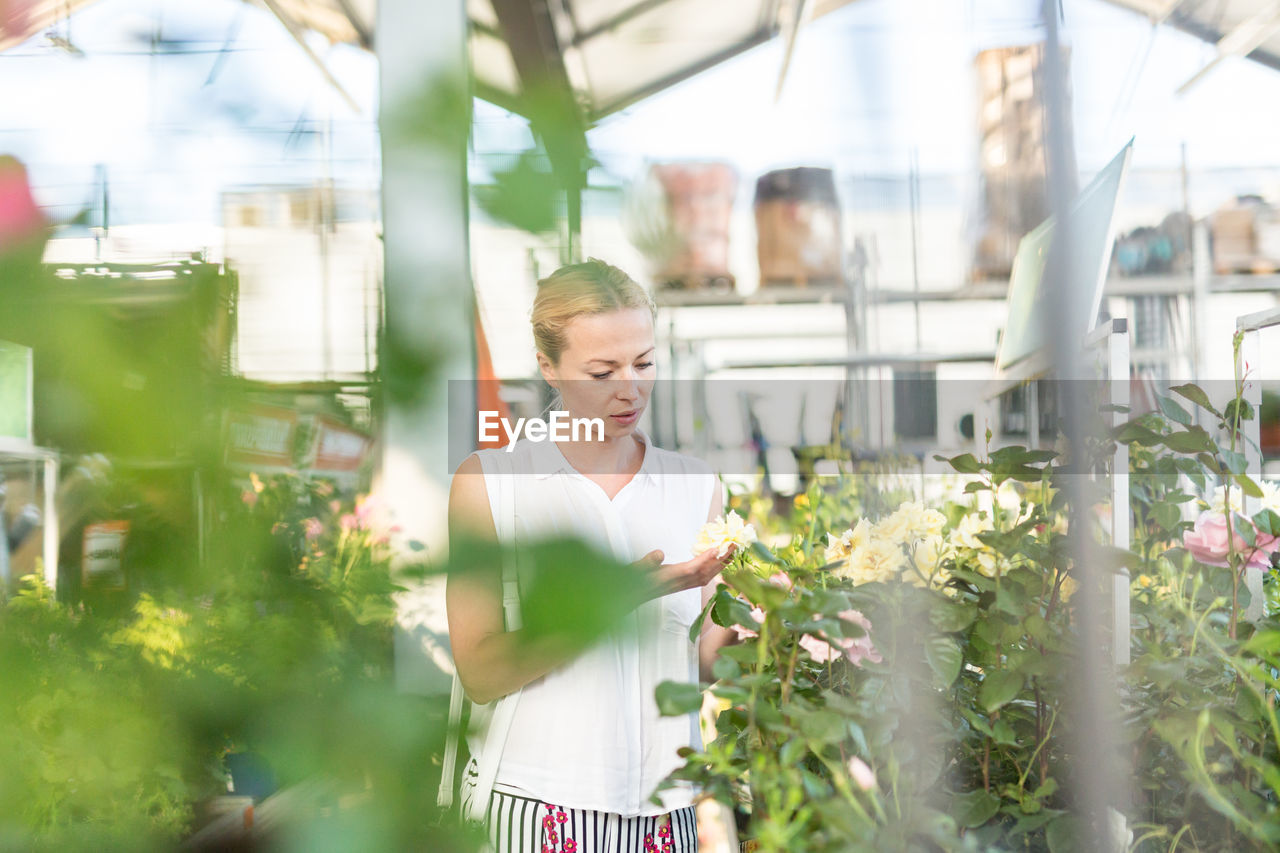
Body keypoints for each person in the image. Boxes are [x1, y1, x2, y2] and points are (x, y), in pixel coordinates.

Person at [447, 258, 738, 853]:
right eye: (602, 371)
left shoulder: (695, 486)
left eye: (645, 363)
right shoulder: (491, 483)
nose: (629, 388)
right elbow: (480, 673)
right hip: (537, 810)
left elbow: (707, 663)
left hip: (667, 816)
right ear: (549, 368)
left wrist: (771, 622)